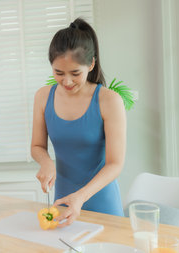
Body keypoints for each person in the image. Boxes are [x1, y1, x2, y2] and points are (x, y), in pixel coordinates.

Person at [31, 18, 126, 227]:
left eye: (75, 73)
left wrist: (81, 197)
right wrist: (46, 162)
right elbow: (37, 146)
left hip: (103, 205)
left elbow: (115, 164)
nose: (66, 81)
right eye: (58, 73)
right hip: (63, 203)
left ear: (91, 64)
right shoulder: (42, 96)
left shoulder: (109, 101)